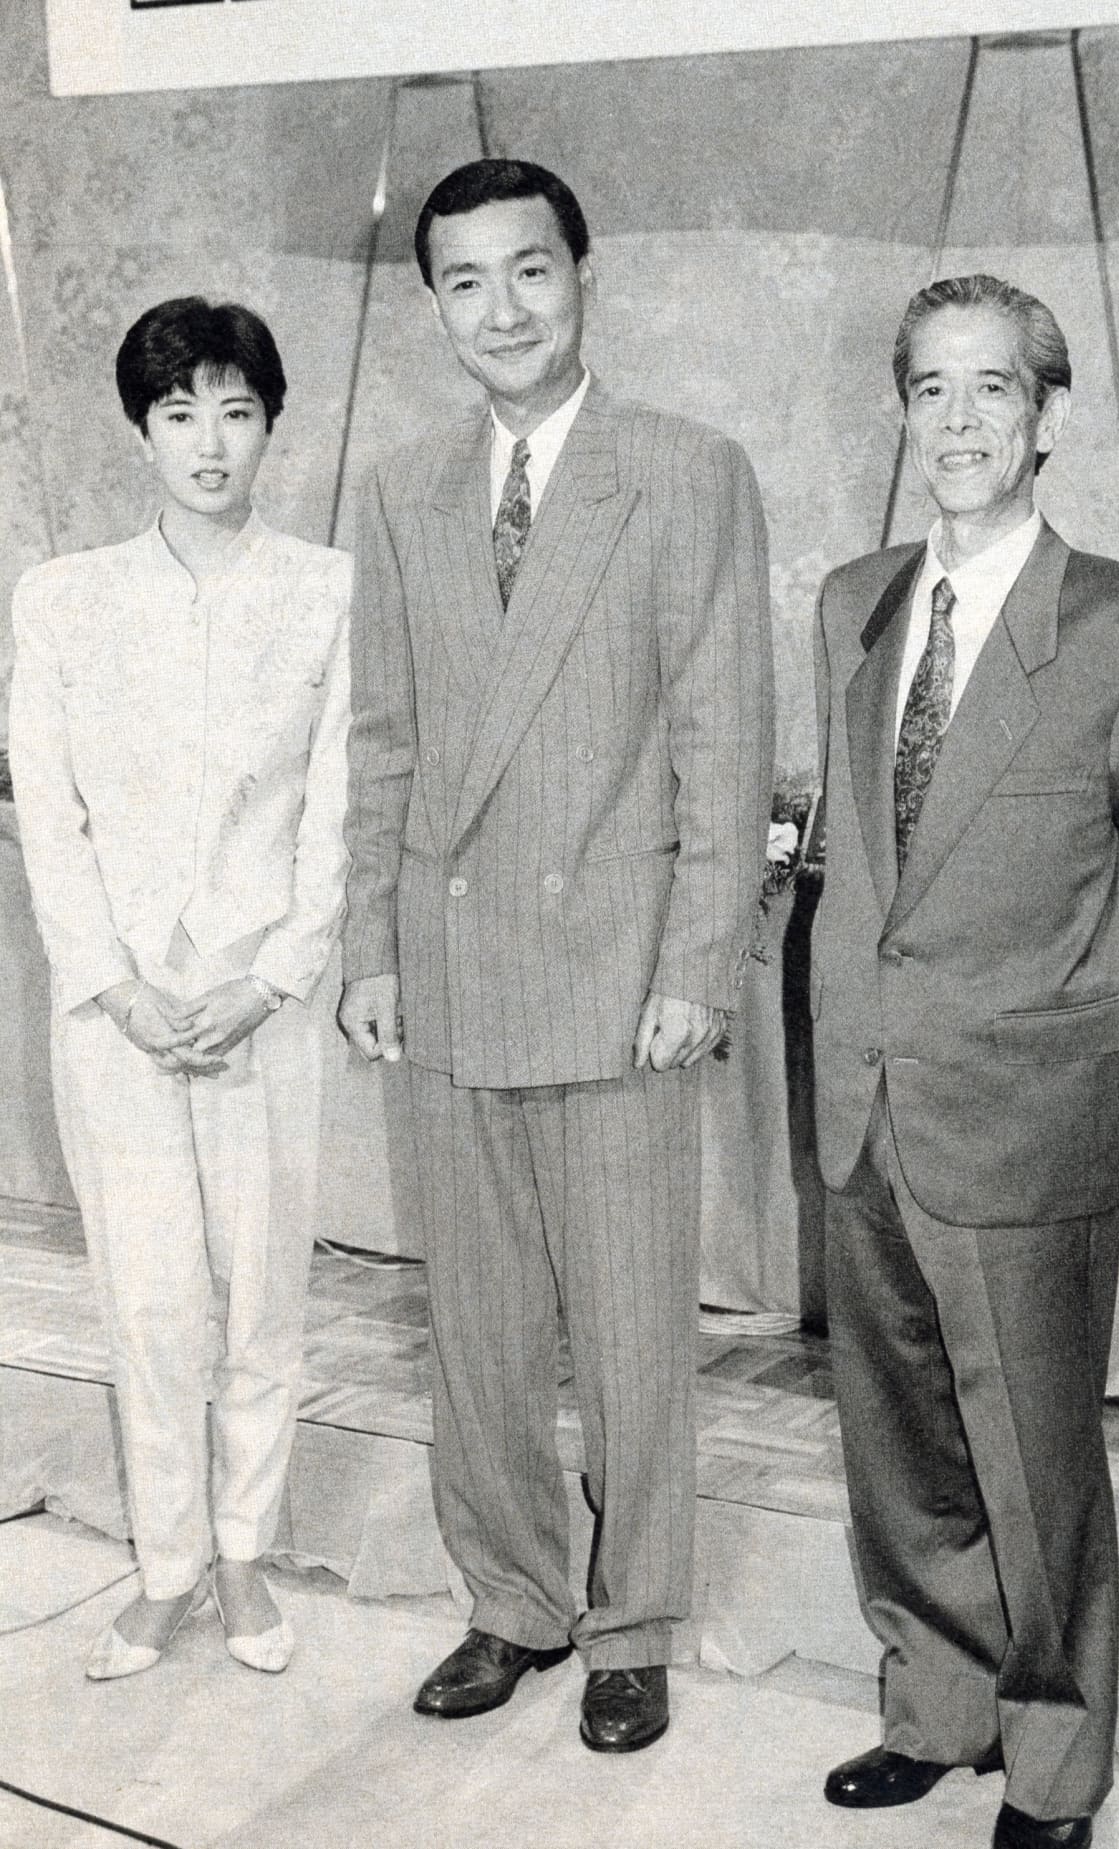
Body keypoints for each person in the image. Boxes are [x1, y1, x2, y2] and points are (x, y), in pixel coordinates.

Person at [339, 158, 773, 1753]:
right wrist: (369, 944)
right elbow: (383, 742)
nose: (503, 309)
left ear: (585, 276)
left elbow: (726, 736)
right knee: (479, 1325)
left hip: (618, 972)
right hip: (450, 968)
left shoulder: (684, 470)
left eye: (530, 269)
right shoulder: (401, 488)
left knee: (634, 1322)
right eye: (465, 281)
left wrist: (698, 962)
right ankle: (513, 1598)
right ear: (434, 306)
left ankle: (633, 1620)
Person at [810, 275, 1119, 1847]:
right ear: (903, 413)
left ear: (1048, 416)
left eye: (995, 388)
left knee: (1040, 1464)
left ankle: (1054, 1763)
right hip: (864, 1105)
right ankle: (937, 1700)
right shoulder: (850, 602)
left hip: (1028, 1116)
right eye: (932, 389)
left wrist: (1068, 1041)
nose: (961, 419)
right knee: (899, 1440)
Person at [9, 297, 351, 1679]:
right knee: (149, 1302)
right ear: (140, 430)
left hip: (262, 1001)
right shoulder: (63, 597)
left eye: (237, 412)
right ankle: (166, 1566)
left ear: (271, 425)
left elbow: (338, 804)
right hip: (121, 1015)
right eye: (179, 413)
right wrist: (116, 987)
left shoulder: (329, 588)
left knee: (261, 1292)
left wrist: (275, 975)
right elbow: (49, 817)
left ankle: (247, 1555)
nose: (210, 443)